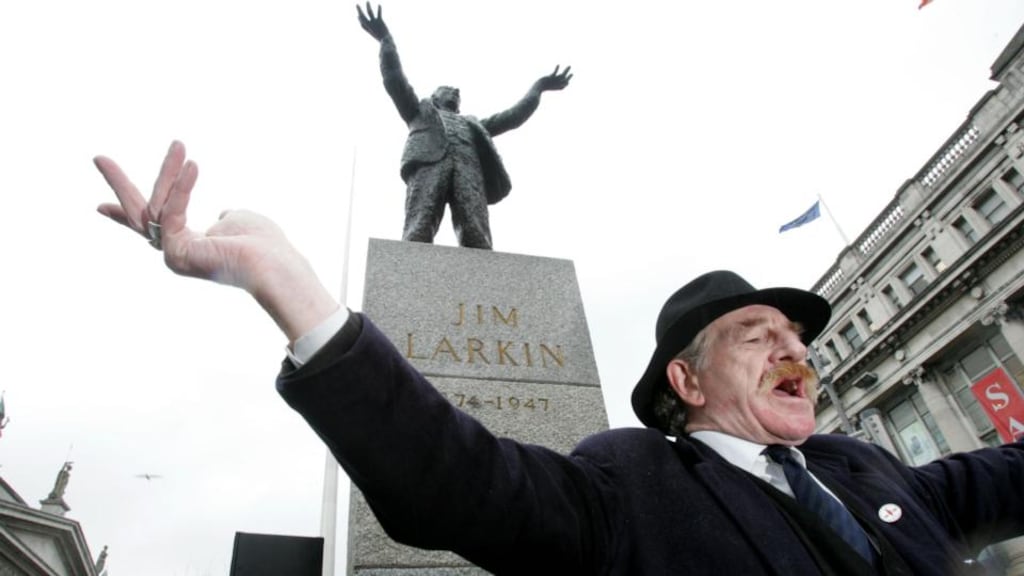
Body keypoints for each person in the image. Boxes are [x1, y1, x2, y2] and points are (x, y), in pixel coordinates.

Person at [95, 141, 1024, 575]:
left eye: (794, 340)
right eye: (757, 336)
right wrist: (289, 289)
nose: (793, 351)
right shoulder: (633, 486)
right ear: (687, 383)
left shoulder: (867, 470)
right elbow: (453, 481)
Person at [357, 3, 572, 250]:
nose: (456, 92)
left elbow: (513, 116)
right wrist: (385, 39)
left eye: (457, 92)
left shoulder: (473, 124)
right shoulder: (419, 111)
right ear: (435, 97)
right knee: (418, 229)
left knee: (477, 236)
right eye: (449, 89)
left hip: (468, 172)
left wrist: (539, 87)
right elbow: (394, 78)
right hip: (429, 163)